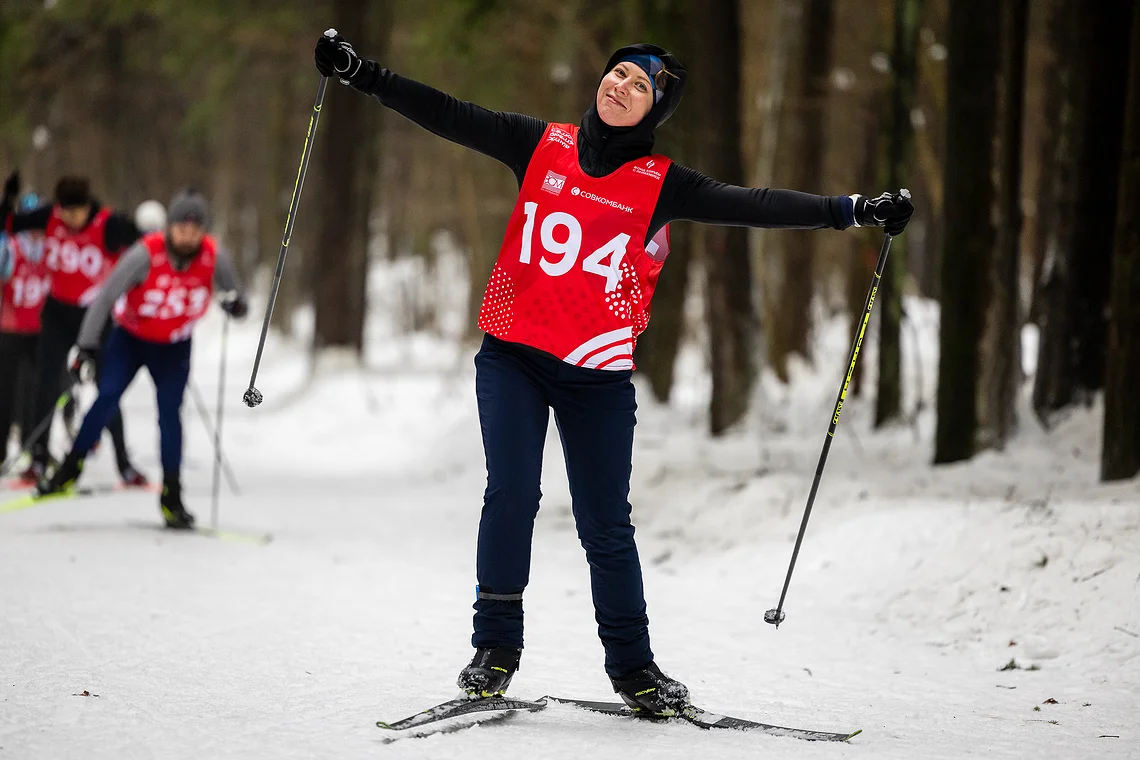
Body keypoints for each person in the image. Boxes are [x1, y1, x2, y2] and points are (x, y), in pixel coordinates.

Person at [314, 35, 914, 714]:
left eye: (640, 86)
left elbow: (758, 203)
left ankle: (634, 669)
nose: (621, 86)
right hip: (513, 355)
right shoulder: (541, 144)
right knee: (511, 494)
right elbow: (449, 112)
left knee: (606, 524)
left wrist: (853, 210)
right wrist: (363, 75)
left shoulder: (664, 184)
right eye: (617, 74)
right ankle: (495, 650)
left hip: (596, 377)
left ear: (656, 111)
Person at [37, 190, 248, 529]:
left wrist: (236, 306)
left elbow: (236, 297)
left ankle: (172, 495)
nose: (188, 237)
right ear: (170, 227)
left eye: (195, 231)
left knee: (169, 414)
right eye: (181, 229)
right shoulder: (145, 254)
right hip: (131, 339)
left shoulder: (213, 256)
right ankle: (68, 469)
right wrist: (87, 345)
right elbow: (105, 297)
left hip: (174, 347)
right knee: (106, 397)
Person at [0, 173, 147, 486]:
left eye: (75, 212)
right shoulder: (51, 216)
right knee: (46, 384)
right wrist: (8, 201)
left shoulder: (107, 223)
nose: (70, 219)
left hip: (95, 317)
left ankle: (123, 462)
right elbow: (10, 224)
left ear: (87, 206)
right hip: (57, 314)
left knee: (107, 386)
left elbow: (147, 248)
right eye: (65, 212)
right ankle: (38, 458)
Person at [0, 194, 50, 480]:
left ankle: (34, 451)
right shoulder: (11, 247)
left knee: (35, 394)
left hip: (39, 333)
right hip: (9, 330)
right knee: (5, 394)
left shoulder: (50, 250)